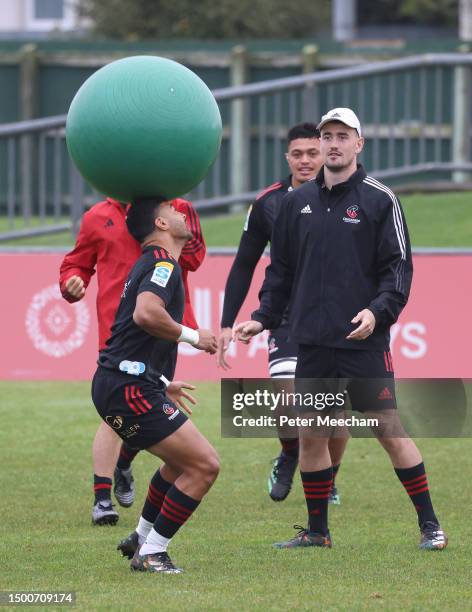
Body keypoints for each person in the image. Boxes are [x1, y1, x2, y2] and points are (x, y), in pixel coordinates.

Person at [234, 108, 447, 551]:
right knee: (313, 434)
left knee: (388, 429)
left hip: (362, 342)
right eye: (326, 135)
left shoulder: (379, 199)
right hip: (312, 341)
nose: (332, 143)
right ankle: (317, 532)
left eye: (341, 136)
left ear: (358, 144)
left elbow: (399, 269)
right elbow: (282, 271)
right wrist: (263, 315)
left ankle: (431, 526)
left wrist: (377, 312)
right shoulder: (295, 204)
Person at [217, 123, 348, 503]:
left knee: (334, 410)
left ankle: (328, 477)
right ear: (287, 157)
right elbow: (244, 264)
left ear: (325, 153)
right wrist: (227, 322)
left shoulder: (352, 195)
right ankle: (291, 454)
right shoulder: (270, 202)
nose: (306, 160)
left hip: (340, 316)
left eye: (313, 152)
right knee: (288, 396)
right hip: (287, 315)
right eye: (298, 154)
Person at [59, 196, 205, 525]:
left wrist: (180, 227)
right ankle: (104, 499)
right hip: (123, 335)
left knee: (166, 434)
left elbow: (195, 257)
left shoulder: (175, 208)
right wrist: (72, 285)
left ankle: (139, 524)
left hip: (160, 338)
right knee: (200, 462)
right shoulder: (98, 216)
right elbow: (77, 263)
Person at [92, 198, 219, 573]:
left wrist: (160, 382)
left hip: (124, 385)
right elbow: (146, 314)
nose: (183, 214)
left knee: (180, 464)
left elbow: (132, 336)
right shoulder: (163, 263)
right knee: (204, 467)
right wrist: (196, 337)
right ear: (162, 223)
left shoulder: (152, 264)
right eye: (174, 210)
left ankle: (142, 537)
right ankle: (152, 553)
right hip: (127, 389)